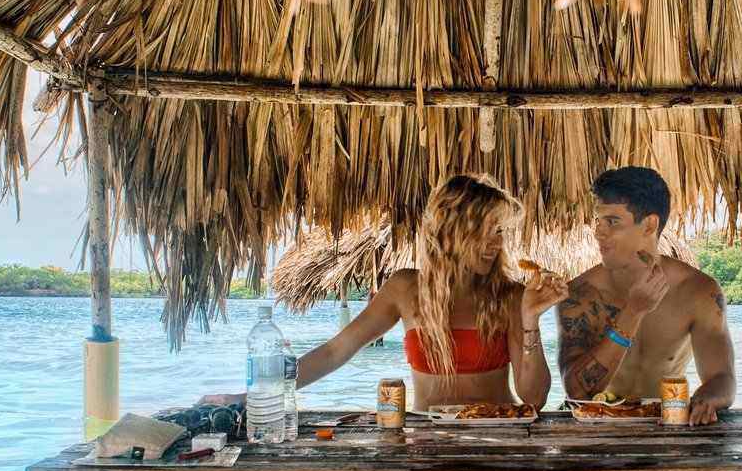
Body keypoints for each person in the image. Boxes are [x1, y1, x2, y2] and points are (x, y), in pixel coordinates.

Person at [202, 174, 568, 411]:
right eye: (488, 230)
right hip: (424, 440)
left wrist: (530, 319)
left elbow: (534, 400)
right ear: (452, 230)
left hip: (497, 439)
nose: (497, 243)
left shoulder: (510, 295)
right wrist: (261, 393)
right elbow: (335, 350)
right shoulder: (405, 287)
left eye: (501, 231)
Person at [557, 167, 736, 424]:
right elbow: (577, 391)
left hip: (664, 423)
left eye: (612, 221)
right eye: (598, 221)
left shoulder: (698, 290)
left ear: (650, 224)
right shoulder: (582, 292)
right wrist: (633, 311)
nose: (598, 232)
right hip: (595, 427)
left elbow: (722, 378)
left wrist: (706, 399)